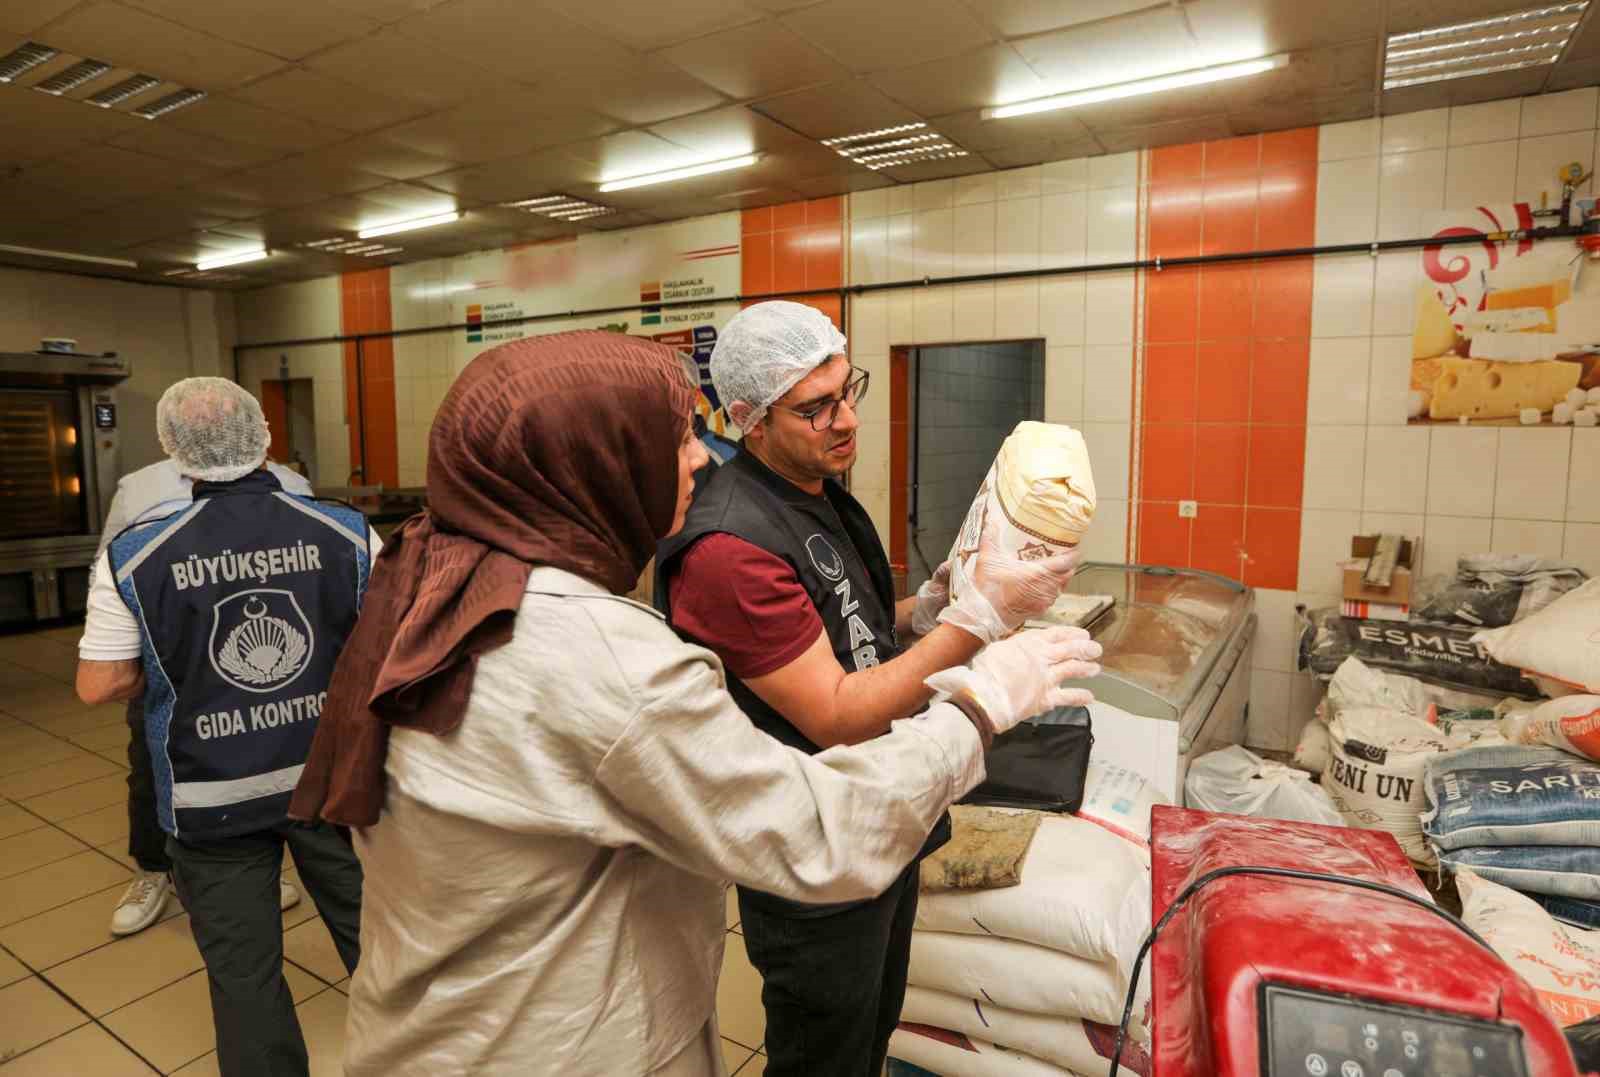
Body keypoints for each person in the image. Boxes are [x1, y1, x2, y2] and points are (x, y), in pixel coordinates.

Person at [286, 330, 1101, 1076]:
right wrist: (979, 701)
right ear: (593, 465)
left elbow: (830, 623)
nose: (698, 460)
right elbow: (817, 830)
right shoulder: (604, 653)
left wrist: (927, 614)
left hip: (442, 1025)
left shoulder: (440, 580)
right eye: (674, 438)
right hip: (553, 1043)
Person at [654, 301, 1084, 1077]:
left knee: (873, 1029)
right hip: (817, 852)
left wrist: (932, 607)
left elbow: (847, 630)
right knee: (825, 1056)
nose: (847, 419)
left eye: (847, 389)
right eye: (814, 408)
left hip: (882, 814)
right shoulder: (728, 548)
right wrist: (978, 625)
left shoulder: (808, 489)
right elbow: (835, 713)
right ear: (749, 420)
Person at [75, 378, 376, 1077]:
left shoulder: (135, 553)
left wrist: (173, 669)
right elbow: (389, 643)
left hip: (210, 799)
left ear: (174, 452)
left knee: (244, 975)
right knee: (382, 945)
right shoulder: (345, 530)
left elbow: (99, 683)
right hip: (330, 783)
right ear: (264, 437)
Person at [91, 437, 312, 937]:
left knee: (266, 764)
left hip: (271, 665)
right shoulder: (140, 487)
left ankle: (258, 868)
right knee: (153, 770)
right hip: (171, 667)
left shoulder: (293, 485)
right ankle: (154, 869)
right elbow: (108, 573)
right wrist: (124, 658)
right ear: (174, 433)